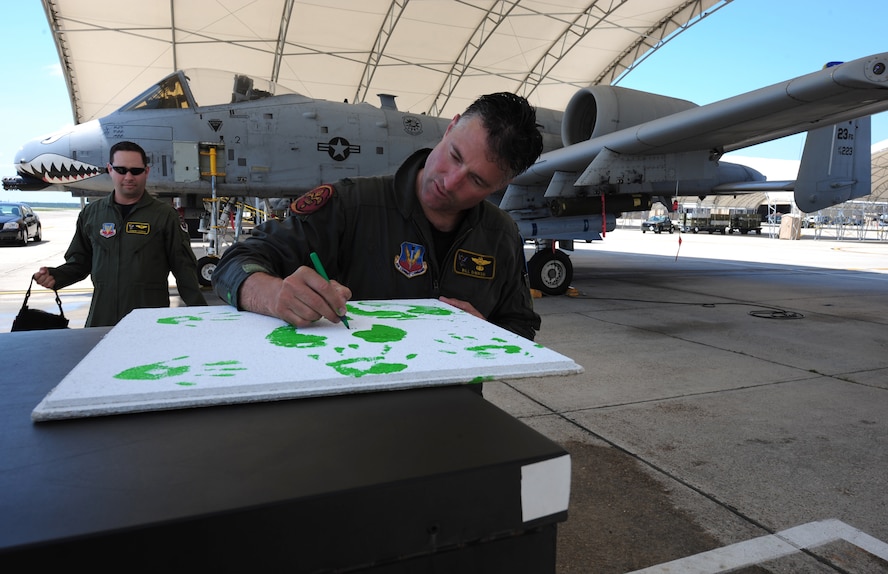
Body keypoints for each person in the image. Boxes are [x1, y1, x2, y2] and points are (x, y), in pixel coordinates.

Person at [212, 92, 543, 340]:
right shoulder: (349, 204)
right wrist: (272, 295)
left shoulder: (502, 235)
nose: (450, 181)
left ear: (502, 184)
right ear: (450, 127)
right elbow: (233, 264)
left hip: (455, 415)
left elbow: (521, 326)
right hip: (352, 413)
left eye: (476, 180)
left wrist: (486, 333)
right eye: (454, 155)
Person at [34, 141, 207, 327]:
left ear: (146, 171)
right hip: (101, 320)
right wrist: (56, 276)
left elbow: (184, 270)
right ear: (110, 169)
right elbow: (80, 263)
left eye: (136, 171)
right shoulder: (91, 214)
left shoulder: (164, 216)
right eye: (121, 170)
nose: (129, 176)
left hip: (148, 322)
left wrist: (204, 316)